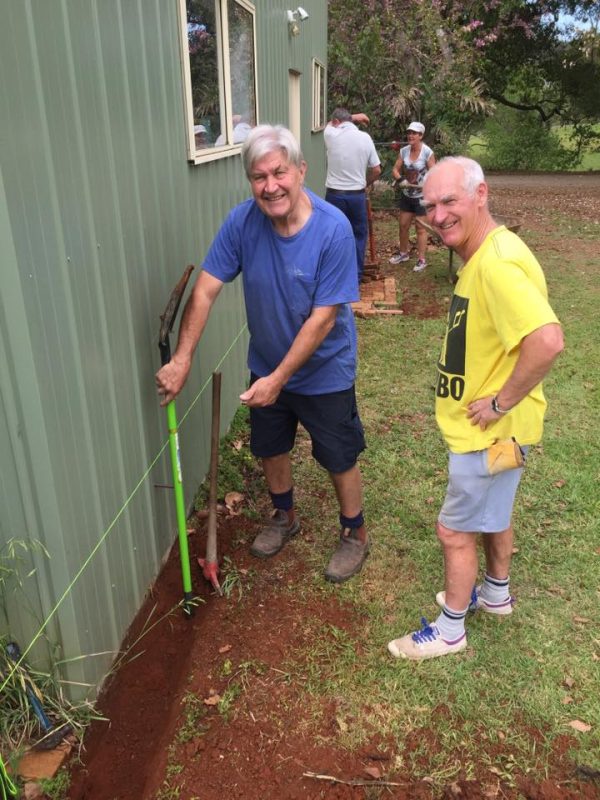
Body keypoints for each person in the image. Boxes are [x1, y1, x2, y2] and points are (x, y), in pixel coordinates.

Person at [156, 124, 370, 584]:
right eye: (259, 177)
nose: (270, 186)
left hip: (325, 370)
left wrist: (279, 379)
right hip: (267, 361)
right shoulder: (242, 222)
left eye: (279, 172)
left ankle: (354, 532)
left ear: (300, 170)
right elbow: (206, 290)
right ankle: (284, 515)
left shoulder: (333, 230)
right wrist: (183, 358)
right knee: (271, 446)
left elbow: (323, 320)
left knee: (338, 454)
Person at [388, 156, 564, 660]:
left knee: (454, 530)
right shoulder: (488, 250)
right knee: (492, 514)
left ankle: (449, 630)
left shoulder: (496, 263)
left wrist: (499, 401)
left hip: (489, 434)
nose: (438, 215)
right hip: (505, 435)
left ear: (481, 194)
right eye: (431, 205)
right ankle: (496, 593)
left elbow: (547, 340)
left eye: (450, 202)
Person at [324, 108, 381, 282]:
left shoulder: (331, 135)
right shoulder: (365, 138)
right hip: (356, 196)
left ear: (336, 122)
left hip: (334, 196)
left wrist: (353, 117)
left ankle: (334, 275)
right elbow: (377, 169)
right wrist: (365, 184)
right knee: (358, 234)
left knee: (334, 234)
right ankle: (354, 277)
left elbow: (328, 124)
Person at [388, 121, 435, 273]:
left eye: (414, 133)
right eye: (409, 132)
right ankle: (403, 254)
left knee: (421, 228)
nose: (410, 135)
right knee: (403, 225)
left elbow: (434, 173)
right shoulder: (404, 151)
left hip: (421, 197)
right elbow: (395, 169)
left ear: (420, 136)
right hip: (407, 195)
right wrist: (401, 179)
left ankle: (422, 260)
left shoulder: (427, 152)